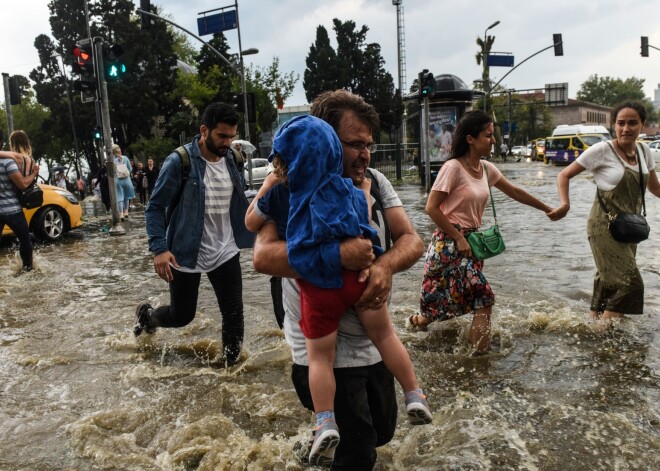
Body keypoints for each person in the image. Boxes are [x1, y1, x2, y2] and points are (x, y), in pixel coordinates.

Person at [252, 89, 426, 469]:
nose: (364, 155)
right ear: (326, 140)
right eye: (354, 144)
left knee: (382, 432)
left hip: (373, 339)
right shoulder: (287, 182)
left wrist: (383, 267)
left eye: (369, 145)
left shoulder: (374, 182)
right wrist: (336, 255)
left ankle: (313, 448)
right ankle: (326, 433)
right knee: (359, 452)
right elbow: (262, 257)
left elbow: (413, 241)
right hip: (321, 349)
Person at [408, 110, 557, 354]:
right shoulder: (452, 168)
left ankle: (421, 320)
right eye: (488, 136)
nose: (493, 140)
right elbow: (432, 208)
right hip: (449, 245)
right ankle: (479, 361)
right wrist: (457, 237)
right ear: (470, 139)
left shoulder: (487, 168)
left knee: (449, 298)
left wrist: (547, 209)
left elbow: (515, 191)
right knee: (483, 300)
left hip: (472, 246)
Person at [134, 102, 254, 367]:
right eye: (222, 136)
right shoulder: (180, 161)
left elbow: (238, 202)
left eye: (232, 136)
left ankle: (230, 372)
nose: (228, 142)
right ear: (204, 130)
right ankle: (148, 317)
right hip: (185, 251)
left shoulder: (233, 159)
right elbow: (154, 207)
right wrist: (159, 249)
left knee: (234, 313)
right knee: (182, 316)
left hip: (225, 250)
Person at [549, 101, 660, 329]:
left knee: (609, 280)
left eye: (632, 123)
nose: (626, 129)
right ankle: (602, 334)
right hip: (604, 227)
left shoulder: (644, 151)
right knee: (630, 284)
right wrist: (565, 204)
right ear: (614, 125)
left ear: (643, 125)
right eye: (621, 123)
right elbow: (564, 175)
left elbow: (656, 188)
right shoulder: (602, 150)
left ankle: (592, 327)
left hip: (630, 229)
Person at [0, 130, 40, 271]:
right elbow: (23, 184)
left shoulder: (11, 158)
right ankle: (28, 269)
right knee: (25, 240)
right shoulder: (11, 162)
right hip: (13, 210)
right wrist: (34, 172)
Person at [111, 144, 134, 221]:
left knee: (120, 197)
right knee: (126, 197)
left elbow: (111, 172)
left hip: (117, 180)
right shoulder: (125, 158)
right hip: (127, 180)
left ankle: (121, 214)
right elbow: (130, 169)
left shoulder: (112, 160)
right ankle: (126, 213)